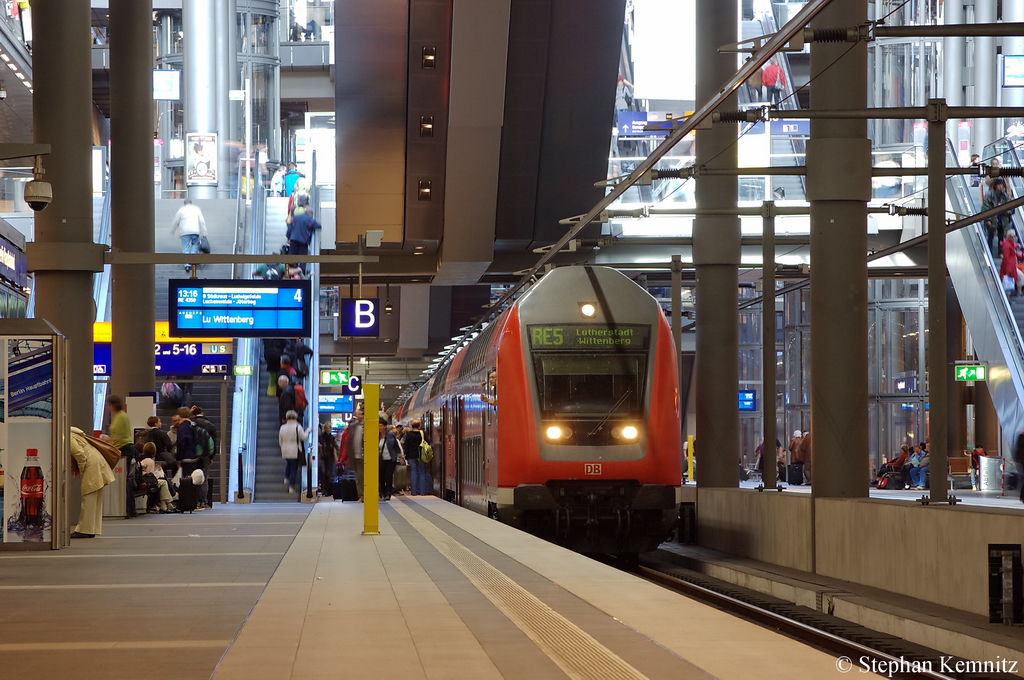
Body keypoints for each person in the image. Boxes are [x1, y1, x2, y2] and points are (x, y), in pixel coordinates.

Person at [70, 427, 116, 538]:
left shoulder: (67, 436)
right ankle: (92, 528)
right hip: (96, 459)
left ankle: (85, 529)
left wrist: (81, 470)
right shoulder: (73, 431)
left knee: (88, 496)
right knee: (95, 497)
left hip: (91, 463)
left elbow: (79, 454)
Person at [106, 395, 139, 518]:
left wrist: (107, 440)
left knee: (123, 480)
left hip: (123, 449)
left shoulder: (119, 417)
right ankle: (130, 508)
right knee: (126, 479)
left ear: (112, 405)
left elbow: (118, 437)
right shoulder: (122, 416)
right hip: (126, 447)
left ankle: (128, 508)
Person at [285, 196, 322, 272]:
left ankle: (292, 273)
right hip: (303, 241)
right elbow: (317, 226)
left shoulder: (295, 217)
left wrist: (288, 237)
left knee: (292, 258)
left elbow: (290, 228)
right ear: (309, 212)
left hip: (293, 240)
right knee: (303, 259)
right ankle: (301, 274)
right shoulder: (309, 219)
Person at [170, 199, 208, 272]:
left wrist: (172, 230)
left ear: (184, 204)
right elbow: (202, 221)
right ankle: (193, 261)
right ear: (191, 203)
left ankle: (187, 265)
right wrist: (204, 231)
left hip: (184, 232)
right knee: (195, 245)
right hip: (195, 231)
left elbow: (175, 221)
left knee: (186, 247)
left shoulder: (181, 210)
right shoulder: (196, 209)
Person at [279, 410, 311, 494]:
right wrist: (308, 431)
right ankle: (291, 487)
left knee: (288, 463)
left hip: (285, 449)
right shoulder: (297, 427)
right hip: (295, 450)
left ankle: (286, 477)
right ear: (295, 417)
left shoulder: (282, 427)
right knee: (294, 468)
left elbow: (280, 441)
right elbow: (303, 437)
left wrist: (283, 446)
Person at [191, 406, 217, 508]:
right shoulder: (210, 425)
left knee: (193, 476)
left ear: (193, 415)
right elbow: (214, 442)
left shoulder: (192, 424)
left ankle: (195, 500)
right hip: (206, 454)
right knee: (204, 477)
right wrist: (212, 456)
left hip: (193, 454)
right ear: (203, 413)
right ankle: (204, 501)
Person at [339, 406, 365, 500]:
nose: (357, 416)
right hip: (355, 456)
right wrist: (347, 457)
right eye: (356, 414)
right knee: (359, 477)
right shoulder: (353, 426)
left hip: (366, 456)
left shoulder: (368, 426)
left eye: (359, 414)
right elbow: (348, 443)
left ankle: (370, 494)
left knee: (366, 476)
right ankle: (361, 496)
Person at [140, 442, 174, 513]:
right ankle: (167, 503)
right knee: (163, 481)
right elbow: (151, 475)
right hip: (147, 481)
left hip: (142, 479)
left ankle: (166, 504)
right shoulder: (150, 461)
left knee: (163, 481)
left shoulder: (141, 459)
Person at [983, 177, 1013, 257]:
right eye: (998, 185)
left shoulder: (1004, 196)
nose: (1000, 186)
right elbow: (986, 207)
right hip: (993, 219)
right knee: (991, 236)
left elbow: (1010, 208)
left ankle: (1000, 252)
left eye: (1001, 185)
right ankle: (989, 252)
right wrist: (987, 219)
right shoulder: (990, 195)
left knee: (1001, 236)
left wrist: (1005, 211)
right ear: (995, 186)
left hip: (1002, 219)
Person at [378, 417, 402, 501]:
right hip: (380, 460)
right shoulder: (375, 436)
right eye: (378, 426)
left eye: (380, 426)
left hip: (390, 459)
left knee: (388, 476)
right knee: (381, 477)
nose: (379, 428)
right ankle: (383, 492)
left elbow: (396, 447)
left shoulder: (390, 435)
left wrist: (400, 457)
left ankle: (388, 493)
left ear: (385, 426)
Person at [404, 419, 429, 496]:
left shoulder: (408, 434)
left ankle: (414, 492)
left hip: (412, 456)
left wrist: (406, 455)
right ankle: (422, 492)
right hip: (421, 455)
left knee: (413, 473)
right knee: (422, 473)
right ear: (419, 426)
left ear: (411, 426)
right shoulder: (423, 434)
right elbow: (428, 443)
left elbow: (406, 446)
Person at [1000, 231, 1024, 297]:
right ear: (1008, 237)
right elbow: (1006, 259)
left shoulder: (1011, 244)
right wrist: (1008, 270)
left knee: (1020, 276)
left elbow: (1013, 253)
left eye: (1014, 236)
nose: (1013, 238)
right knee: (1008, 282)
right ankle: (1007, 299)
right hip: (1009, 267)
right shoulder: (1007, 246)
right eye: (1011, 236)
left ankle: (1019, 293)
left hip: (1012, 266)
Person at [318, 421, 338, 496]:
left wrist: (336, 456)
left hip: (329, 456)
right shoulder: (321, 437)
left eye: (329, 428)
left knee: (328, 473)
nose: (327, 429)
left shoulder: (331, 438)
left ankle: (326, 489)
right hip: (323, 456)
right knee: (323, 472)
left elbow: (335, 447)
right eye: (326, 428)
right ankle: (323, 489)